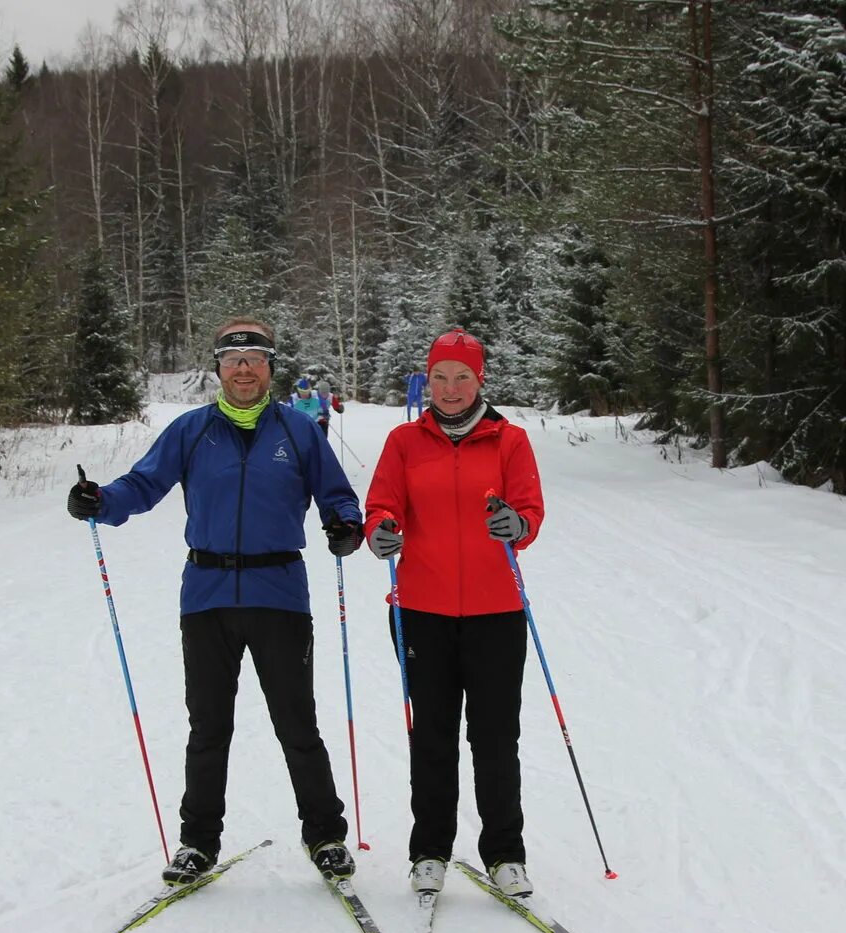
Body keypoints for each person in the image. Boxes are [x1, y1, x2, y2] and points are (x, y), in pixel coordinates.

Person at [67, 316, 366, 885]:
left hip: (279, 592)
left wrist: (345, 525)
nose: (244, 369)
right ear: (219, 370)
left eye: (254, 360)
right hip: (206, 596)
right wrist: (98, 500)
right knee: (208, 727)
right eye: (233, 361)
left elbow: (336, 494)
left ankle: (325, 835)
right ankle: (197, 843)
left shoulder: (299, 432)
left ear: (270, 368)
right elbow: (142, 485)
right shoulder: (192, 430)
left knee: (297, 724)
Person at [361, 328, 545, 899]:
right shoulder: (404, 441)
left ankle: (505, 853)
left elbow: (530, 509)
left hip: (497, 612)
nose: (450, 388)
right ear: (427, 379)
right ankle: (430, 850)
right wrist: (381, 530)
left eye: (462, 376)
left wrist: (518, 525)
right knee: (432, 735)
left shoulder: (509, 441)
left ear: (479, 379)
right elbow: (382, 503)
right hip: (421, 611)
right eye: (440, 377)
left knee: (495, 737)